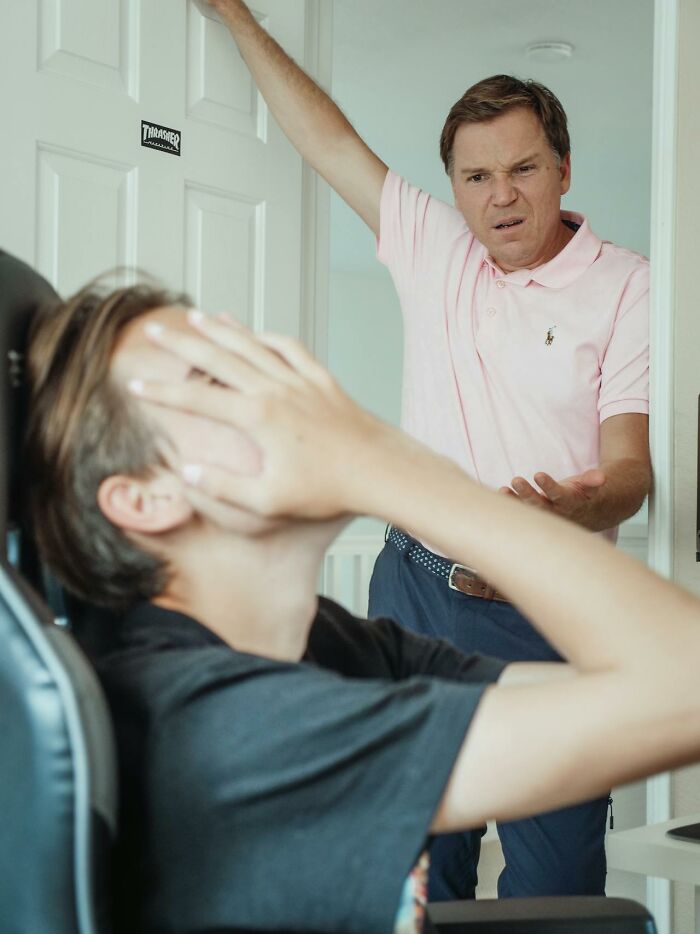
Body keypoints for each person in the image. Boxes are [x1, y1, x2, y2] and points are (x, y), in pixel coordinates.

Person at [24, 282, 700, 934]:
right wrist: (385, 466)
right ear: (144, 500)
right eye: (216, 382)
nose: (282, 387)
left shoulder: (319, 642)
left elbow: (652, 684)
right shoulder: (219, 725)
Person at [204, 0, 652, 900]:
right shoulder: (435, 247)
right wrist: (235, 13)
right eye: (477, 176)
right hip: (412, 594)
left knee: (557, 891)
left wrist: (573, 510)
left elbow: (631, 468)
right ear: (453, 187)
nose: (501, 195)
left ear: (563, 169)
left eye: (523, 169)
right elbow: (327, 140)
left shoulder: (627, 285)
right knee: (420, 870)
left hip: (549, 613)